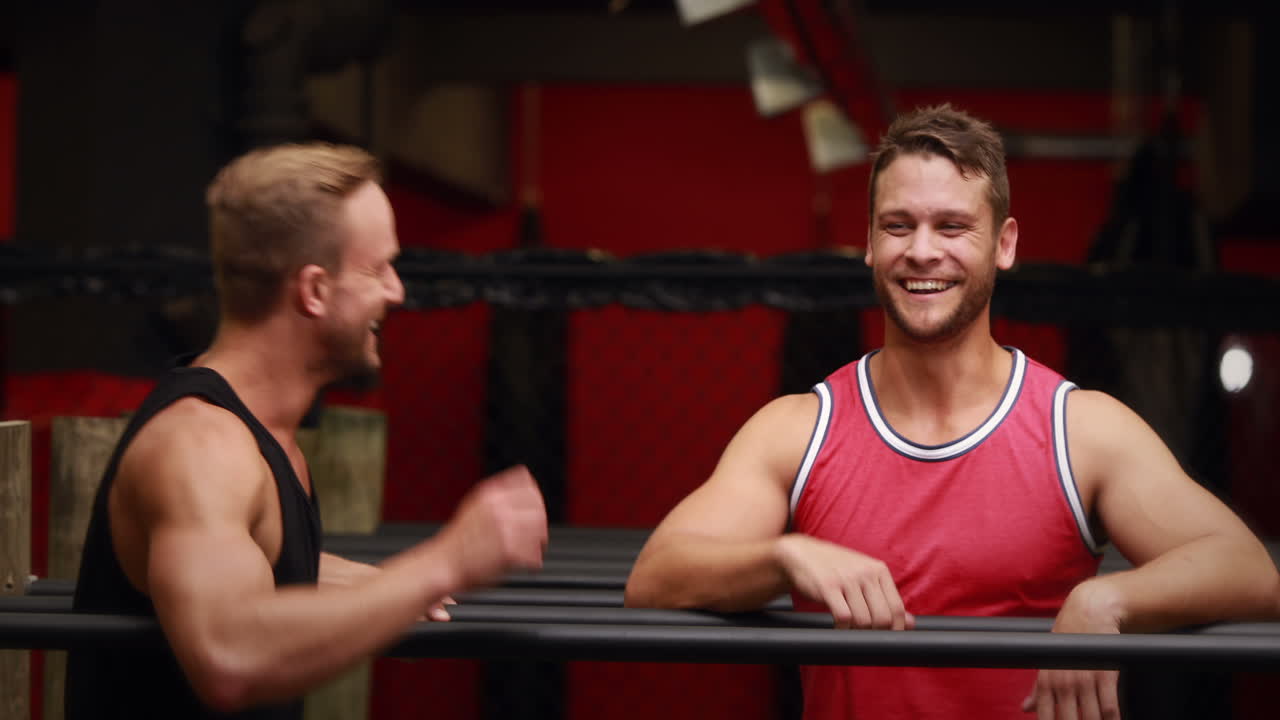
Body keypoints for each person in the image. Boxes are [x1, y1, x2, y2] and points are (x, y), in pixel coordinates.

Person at [624, 105, 1280, 720]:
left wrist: (1107, 598)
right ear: (871, 245)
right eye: (898, 225)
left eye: (953, 226)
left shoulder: (1080, 429)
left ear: (1004, 243)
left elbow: (1249, 569)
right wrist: (784, 557)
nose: (922, 251)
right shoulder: (798, 429)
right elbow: (656, 576)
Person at [65, 143, 549, 719]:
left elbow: (256, 563)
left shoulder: (259, 435)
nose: (396, 292)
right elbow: (229, 655)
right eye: (378, 270)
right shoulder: (201, 447)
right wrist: (446, 561)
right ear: (314, 290)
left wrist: (383, 588)